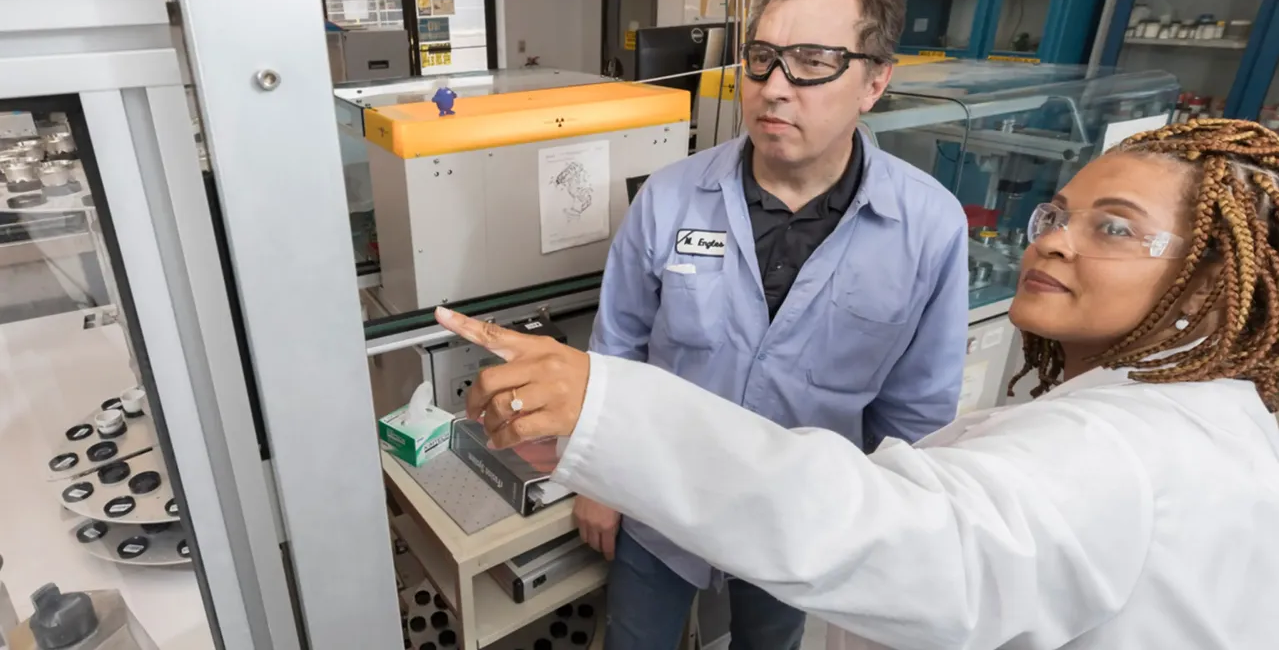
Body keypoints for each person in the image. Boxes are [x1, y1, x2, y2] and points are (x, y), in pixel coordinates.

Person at [437, 118, 1279, 649]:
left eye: (1114, 229)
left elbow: (884, 520)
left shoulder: (1114, 453)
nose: (1055, 241)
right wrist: (606, 458)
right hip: (673, 519)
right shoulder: (1210, 417)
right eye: (1054, 214)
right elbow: (624, 327)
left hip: (778, 517)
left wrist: (609, 417)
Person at [578, 0, 969, 649]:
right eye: (759, 57)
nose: (773, 86)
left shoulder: (928, 227)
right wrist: (600, 479)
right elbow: (616, 348)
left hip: (802, 519)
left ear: (874, 81)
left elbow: (914, 411)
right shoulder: (670, 198)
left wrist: (884, 530)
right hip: (661, 501)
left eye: (813, 62)